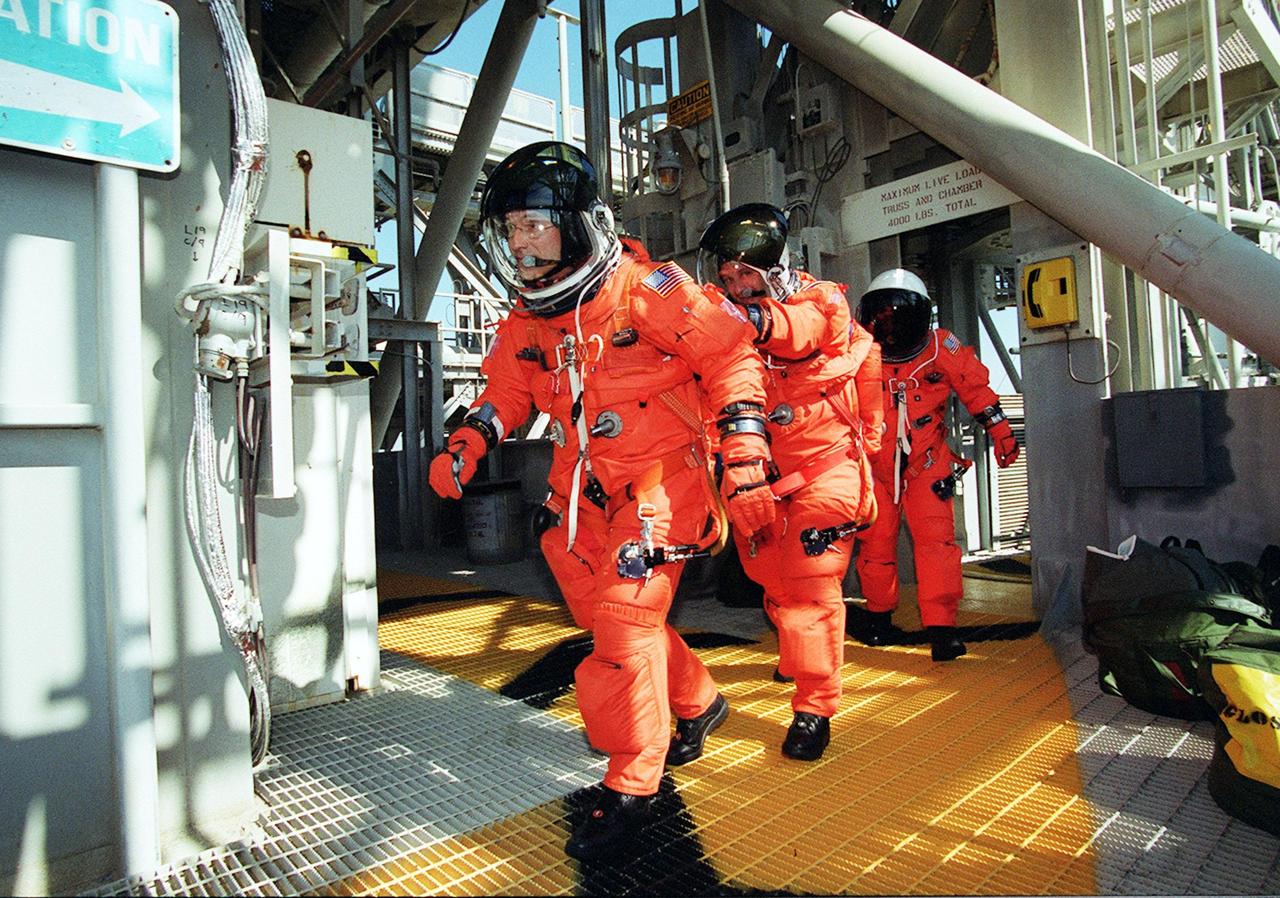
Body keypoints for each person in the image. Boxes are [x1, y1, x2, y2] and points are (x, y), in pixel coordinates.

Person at [426, 142, 775, 861]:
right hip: (579, 494)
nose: (520, 243)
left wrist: (745, 446)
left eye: (533, 225)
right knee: (609, 618)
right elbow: (506, 392)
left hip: (662, 485)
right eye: (511, 229)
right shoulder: (531, 320)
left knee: (622, 624)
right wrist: (468, 442)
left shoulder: (653, 292)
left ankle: (633, 784)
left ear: (579, 224)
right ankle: (699, 701)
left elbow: (731, 356)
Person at [696, 203, 883, 761]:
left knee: (811, 586)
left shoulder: (821, 302)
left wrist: (748, 321)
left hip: (827, 471)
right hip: (759, 478)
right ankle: (798, 654)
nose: (736, 285)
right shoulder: (731, 328)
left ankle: (814, 707)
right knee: (771, 581)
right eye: (727, 277)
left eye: (745, 273)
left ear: (773, 267)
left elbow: (800, 332)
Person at [851, 269, 1021, 661]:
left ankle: (942, 630)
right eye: (883, 317)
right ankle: (878, 618)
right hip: (874, 468)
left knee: (937, 546)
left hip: (926, 465)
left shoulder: (942, 348)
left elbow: (976, 390)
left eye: (900, 318)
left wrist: (1002, 432)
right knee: (875, 545)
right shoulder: (856, 353)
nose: (891, 328)